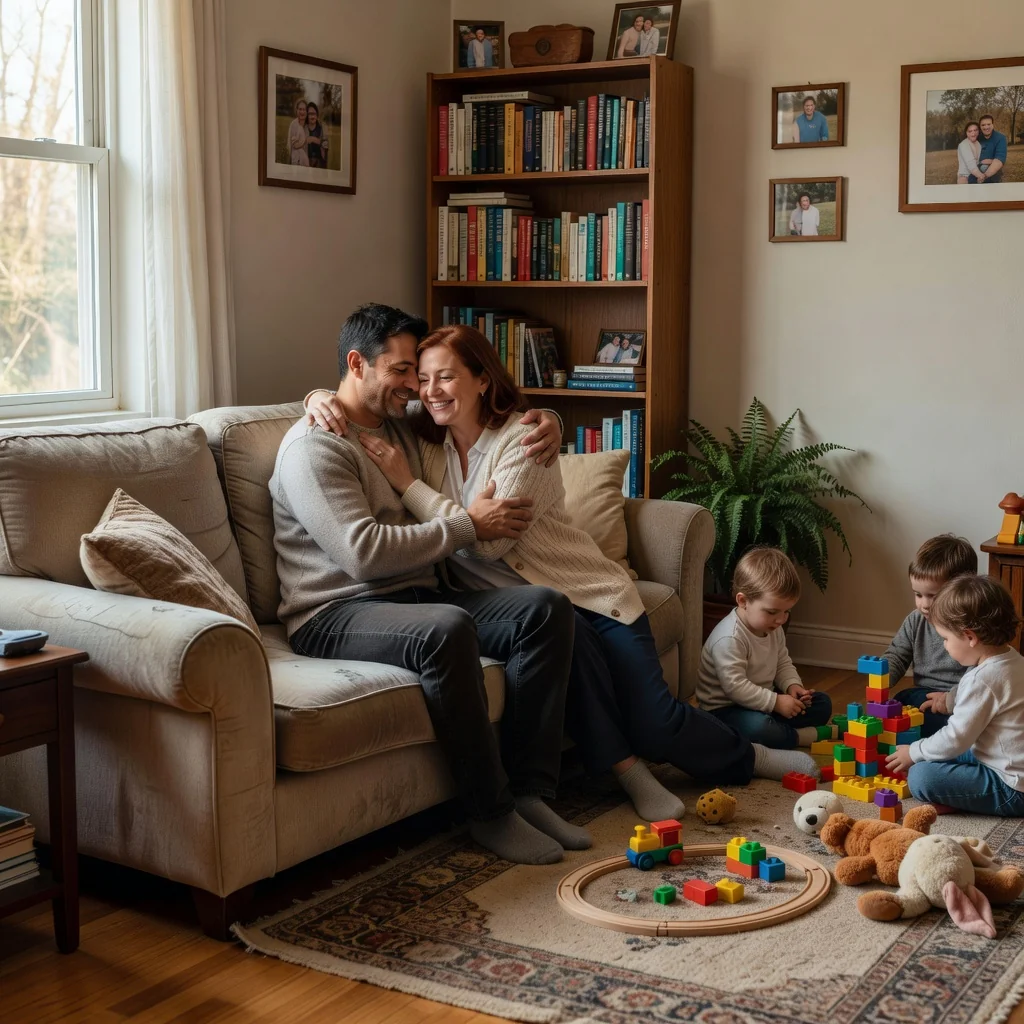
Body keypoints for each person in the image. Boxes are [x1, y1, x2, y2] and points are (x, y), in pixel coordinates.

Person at [305, 326, 820, 821]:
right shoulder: (424, 437)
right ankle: (631, 774)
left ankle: (750, 758)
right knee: (571, 660)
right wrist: (315, 397)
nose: (429, 390)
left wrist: (410, 487)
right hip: (530, 612)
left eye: (445, 377)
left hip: (591, 595)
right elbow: (363, 398)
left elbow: (494, 542)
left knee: (655, 723)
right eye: (422, 378)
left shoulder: (523, 439)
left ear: (483, 379)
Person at [272, 303, 583, 865]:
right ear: (356, 364)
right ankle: (490, 815)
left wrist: (550, 419)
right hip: (336, 613)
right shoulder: (313, 447)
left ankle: (529, 793)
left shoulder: (399, 425)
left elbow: (478, 408)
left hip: (414, 597)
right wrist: (467, 525)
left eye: (414, 370)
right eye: (401, 371)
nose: (415, 384)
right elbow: (362, 553)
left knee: (544, 609)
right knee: (446, 628)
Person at [886, 576, 1024, 817]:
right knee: (944, 753)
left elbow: (955, 738)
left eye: (946, 639)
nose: (945, 646)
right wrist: (948, 701)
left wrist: (914, 751)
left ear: (970, 637)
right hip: (1004, 760)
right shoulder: (1012, 658)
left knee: (921, 776)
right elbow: (979, 708)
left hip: (1012, 788)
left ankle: (964, 799)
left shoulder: (982, 679)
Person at [697, 547, 834, 748]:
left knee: (821, 703)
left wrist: (792, 686)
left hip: (764, 701)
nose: (780, 619)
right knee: (761, 727)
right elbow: (735, 688)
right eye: (772, 612)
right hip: (726, 710)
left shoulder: (772, 627)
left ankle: (780, 731)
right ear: (743, 601)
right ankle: (797, 737)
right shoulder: (729, 637)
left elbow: (782, 662)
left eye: (786, 611)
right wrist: (777, 703)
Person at [882, 534, 976, 737]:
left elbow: (980, 677)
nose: (924, 604)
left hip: (961, 698)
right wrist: (881, 675)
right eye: (918, 594)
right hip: (924, 693)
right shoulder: (916, 620)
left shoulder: (972, 629)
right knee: (901, 702)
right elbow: (897, 655)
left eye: (933, 596)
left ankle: (949, 736)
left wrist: (951, 698)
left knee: (969, 716)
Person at [972, 114, 1007, 183]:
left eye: (988, 124)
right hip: (976, 172)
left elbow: (999, 160)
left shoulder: (1001, 138)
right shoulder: (976, 138)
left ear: (992, 125)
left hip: (993, 174)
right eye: (983, 125)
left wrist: (984, 176)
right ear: (980, 127)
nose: (986, 127)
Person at [288, 98, 310, 167]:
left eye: (304, 109)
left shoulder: (309, 125)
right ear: (296, 110)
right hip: (296, 161)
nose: (302, 112)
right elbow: (292, 146)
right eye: (300, 109)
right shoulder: (293, 124)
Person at [305, 101, 327, 168]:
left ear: (317, 115)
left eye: (314, 114)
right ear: (307, 115)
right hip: (306, 162)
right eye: (310, 114)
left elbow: (326, 145)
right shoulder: (303, 127)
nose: (312, 116)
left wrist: (314, 139)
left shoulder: (322, 128)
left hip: (319, 163)